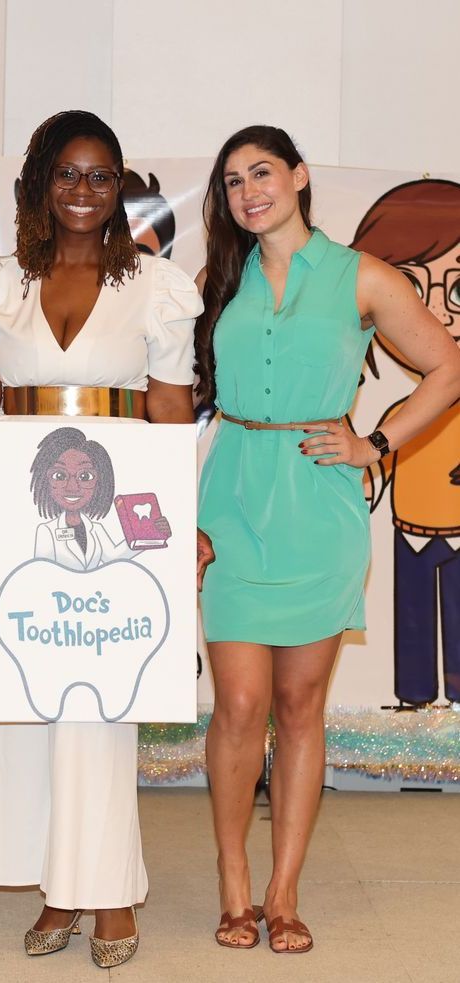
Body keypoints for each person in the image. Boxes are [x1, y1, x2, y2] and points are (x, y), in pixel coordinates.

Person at [0, 110, 208, 969]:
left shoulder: (156, 285)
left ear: (119, 187)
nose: (84, 190)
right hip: (18, 511)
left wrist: (179, 517)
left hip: (115, 513)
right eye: (67, 173)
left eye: (101, 176)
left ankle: (109, 890)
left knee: (98, 707)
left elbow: (169, 407)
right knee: (24, 700)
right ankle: (58, 883)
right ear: (39, 183)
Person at [194, 125, 460, 954]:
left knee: (300, 706)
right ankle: (233, 883)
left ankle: (283, 893)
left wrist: (376, 443)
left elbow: (447, 367)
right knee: (239, 704)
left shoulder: (362, 276)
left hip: (320, 506)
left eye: (262, 172)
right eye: (233, 181)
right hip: (232, 500)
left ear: (300, 176)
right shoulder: (217, 278)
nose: (249, 192)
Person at [350, 180, 460, 705]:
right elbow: (378, 461)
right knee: (411, 616)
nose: (437, 313)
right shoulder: (400, 414)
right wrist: (358, 486)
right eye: (413, 290)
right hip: (409, 533)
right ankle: (414, 695)